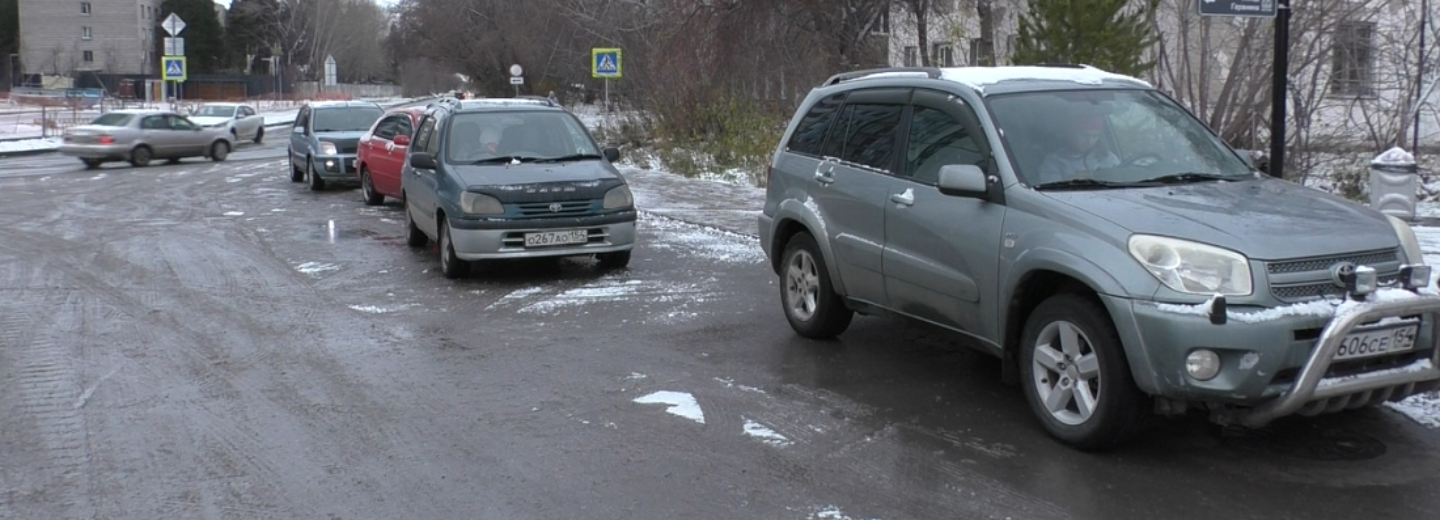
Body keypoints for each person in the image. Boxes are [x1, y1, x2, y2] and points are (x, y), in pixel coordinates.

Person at [1034, 114, 1120, 184]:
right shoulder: (1054, 161)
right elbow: (1046, 191)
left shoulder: (1108, 158)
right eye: (1084, 135)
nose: (1090, 141)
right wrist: (1070, 180)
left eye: (1095, 136)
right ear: (1072, 134)